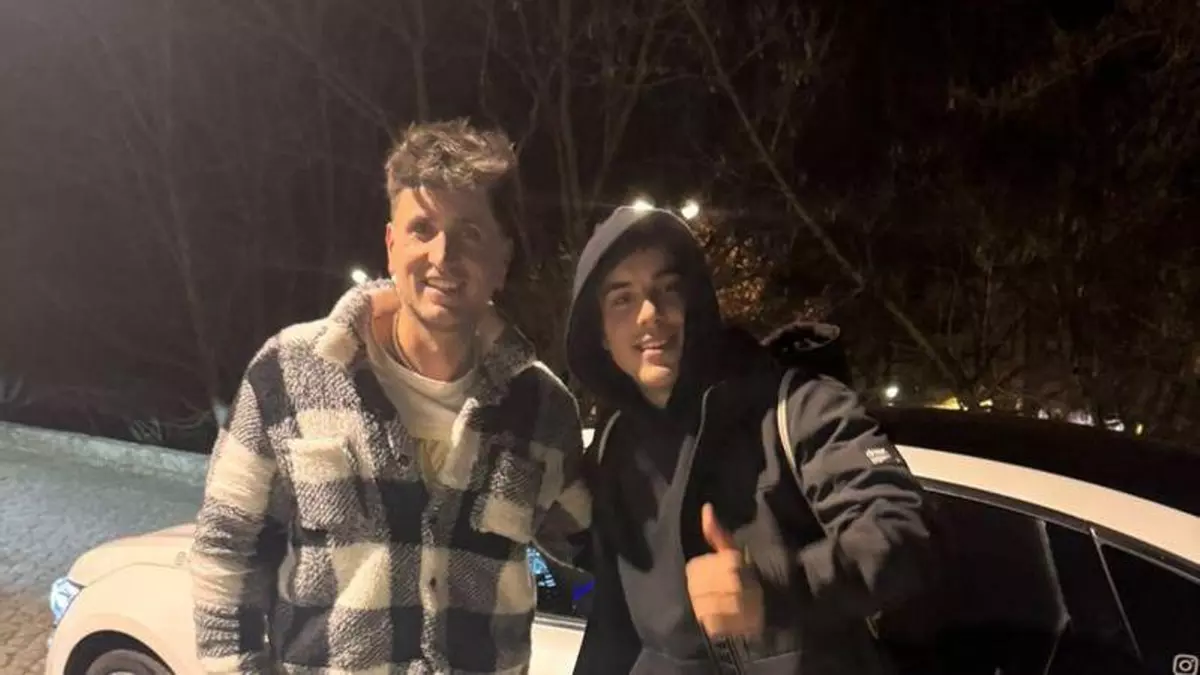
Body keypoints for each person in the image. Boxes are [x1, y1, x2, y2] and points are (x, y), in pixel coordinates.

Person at [190, 119, 591, 675]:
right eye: (422, 228)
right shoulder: (287, 372)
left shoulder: (543, 410)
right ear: (391, 244)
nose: (443, 255)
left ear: (502, 260)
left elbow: (602, 546)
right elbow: (226, 547)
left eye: (470, 233)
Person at [566, 205, 935, 674]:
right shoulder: (612, 446)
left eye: (668, 289)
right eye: (622, 299)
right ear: (599, 333)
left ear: (697, 303)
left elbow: (904, 528)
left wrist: (778, 586)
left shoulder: (797, 406)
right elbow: (610, 611)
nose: (650, 314)